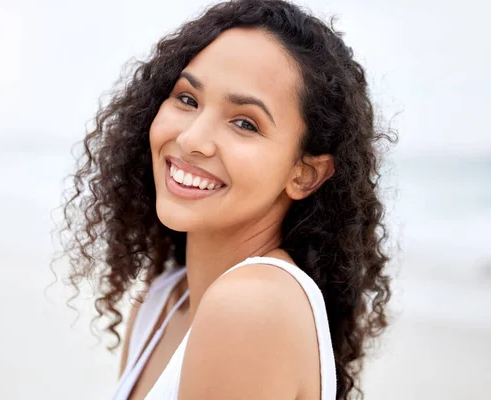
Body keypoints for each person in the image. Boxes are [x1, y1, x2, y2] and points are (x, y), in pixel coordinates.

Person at [60, 0, 395, 398]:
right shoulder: (163, 300)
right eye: (187, 99)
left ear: (303, 174)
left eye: (244, 123)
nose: (191, 139)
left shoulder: (250, 307)